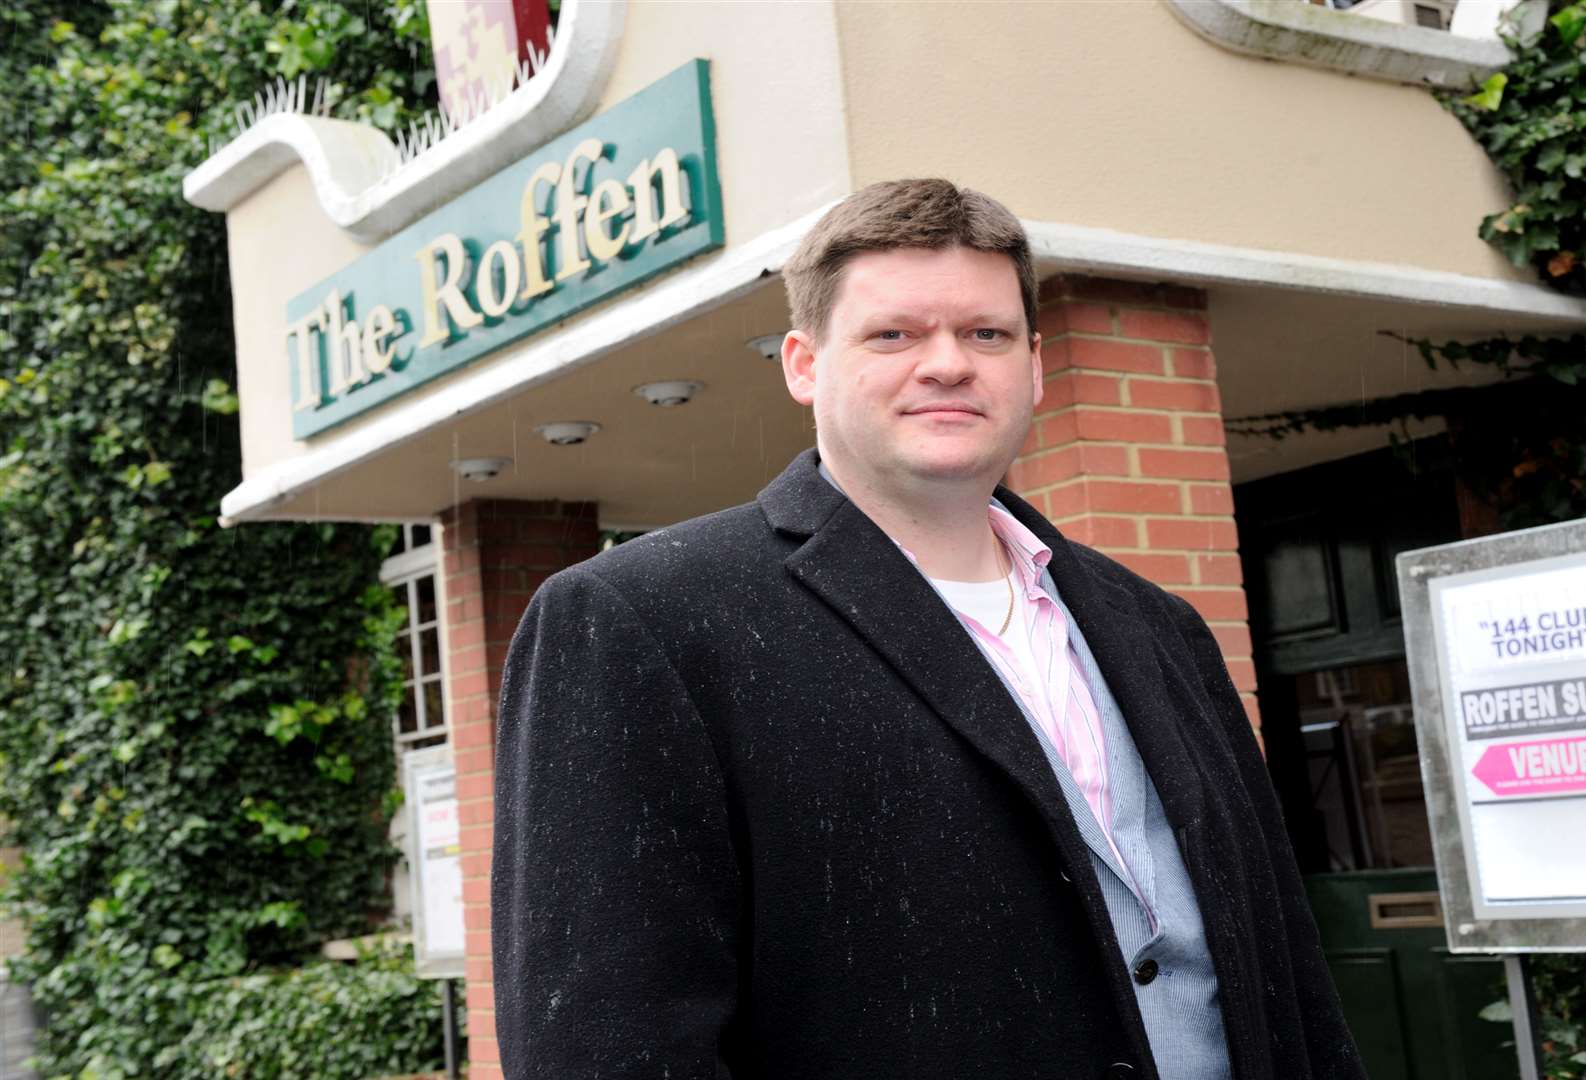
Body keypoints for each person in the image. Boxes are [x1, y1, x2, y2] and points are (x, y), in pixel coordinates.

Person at [492, 178, 1364, 1079]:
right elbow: (606, 1033)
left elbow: (1281, 956)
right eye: (894, 334)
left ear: (1032, 363)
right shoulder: (641, 619)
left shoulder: (1158, 627)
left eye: (985, 333)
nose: (948, 364)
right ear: (803, 363)